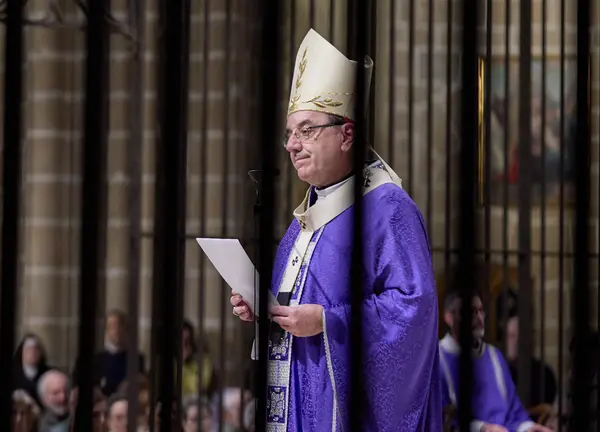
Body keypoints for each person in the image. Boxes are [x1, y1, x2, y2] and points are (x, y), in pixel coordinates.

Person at [229, 28, 443, 430]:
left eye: (307, 129)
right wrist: (264, 309)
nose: (292, 144)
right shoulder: (304, 219)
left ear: (347, 134)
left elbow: (415, 307)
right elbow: (296, 309)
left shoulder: (386, 208)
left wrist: (329, 322)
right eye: (290, 133)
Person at [439, 289, 552, 432]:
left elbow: (513, 413)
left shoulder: (494, 356)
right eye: (471, 312)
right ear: (449, 317)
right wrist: (483, 429)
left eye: (481, 311)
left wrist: (529, 428)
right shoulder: (438, 360)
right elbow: (442, 418)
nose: (479, 318)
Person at [0, 334, 52, 407]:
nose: (32, 353)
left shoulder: (48, 374)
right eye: (29, 349)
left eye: (35, 349)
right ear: (22, 352)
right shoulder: (6, 373)